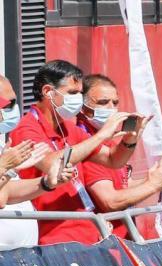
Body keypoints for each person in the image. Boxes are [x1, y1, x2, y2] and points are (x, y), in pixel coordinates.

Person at [9, 60, 148, 245]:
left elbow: (113, 159)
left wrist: (130, 139)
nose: (78, 98)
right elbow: (51, 164)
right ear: (48, 92)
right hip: (54, 237)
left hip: (87, 232)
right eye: (72, 93)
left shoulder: (68, 127)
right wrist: (101, 135)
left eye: (80, 93)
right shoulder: (26, 127)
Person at [77, 74, 162, 238]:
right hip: (106, 244)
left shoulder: (108, 142)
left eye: (115, 102)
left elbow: (122, 186)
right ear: (83, 108)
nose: (111, 108)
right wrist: (153, 184)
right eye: (102, 102)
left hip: (123, 238)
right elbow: (110, 201)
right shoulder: (87, 145)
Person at [0, 75, 75, 249]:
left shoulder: (3, 144)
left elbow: (6, 193)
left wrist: (46, 182)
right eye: (8, 104)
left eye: (14, 102)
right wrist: (6, 167)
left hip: (19, 258)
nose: (14, 108)